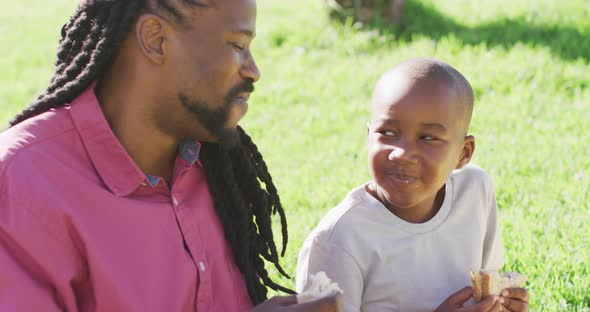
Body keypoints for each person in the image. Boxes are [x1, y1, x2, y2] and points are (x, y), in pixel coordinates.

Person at [0, 0, 342, 311]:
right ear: (156, 39)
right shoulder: (22, 185)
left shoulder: (213, 168)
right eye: (238, 45)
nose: (253, 70)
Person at [296, 58, 530, 312]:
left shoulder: (474, 191)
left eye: (427, 138)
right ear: (368, 137)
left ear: (463, 153)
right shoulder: (338, 241)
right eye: (387, 132)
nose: (401, 153)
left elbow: (486, 281)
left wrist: (500, 305)